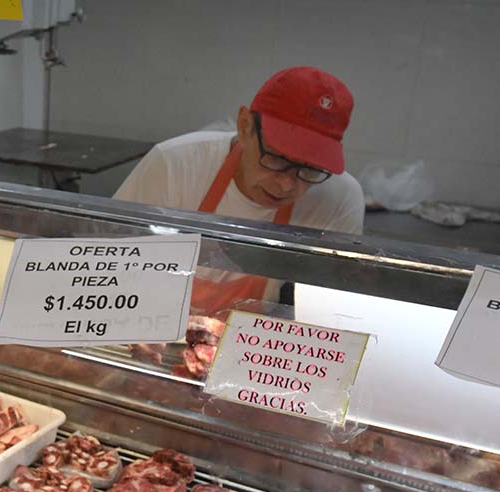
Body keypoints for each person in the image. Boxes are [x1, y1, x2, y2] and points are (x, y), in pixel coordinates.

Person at [115, 66, 365, 310]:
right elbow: (106, 267)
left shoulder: (339, 198)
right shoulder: (174, 164)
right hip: (150, 326)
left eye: (309, 169)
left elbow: (334, 311)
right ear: (245, 126)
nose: (287, 184)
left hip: (250, 343)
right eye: (277, 159)